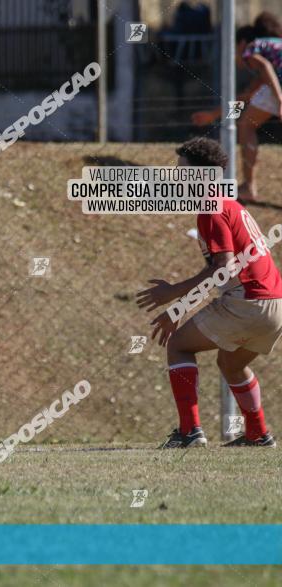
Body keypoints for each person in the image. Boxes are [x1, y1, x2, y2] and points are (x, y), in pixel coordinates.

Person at [137, 137, 278, 449]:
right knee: (231, 364)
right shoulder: (229, 204)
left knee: (179, 346)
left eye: (183, 171)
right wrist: (179, 305)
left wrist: (173, 294)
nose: (177, 177)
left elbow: (222, 269)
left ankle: (189, 432)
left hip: (248, 302)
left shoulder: (210, 208)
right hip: (274, 305)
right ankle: (257, 434)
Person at [192, 12, 282, 203]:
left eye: (233, 49)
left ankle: (249, 187)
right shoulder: (274, 55)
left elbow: (265, 66)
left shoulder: (251, 48)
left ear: (240, 43)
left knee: (246, 126)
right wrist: (213, 115)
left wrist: (281, 100)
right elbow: (247, 98)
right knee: (246, 123)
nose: (234, 57)